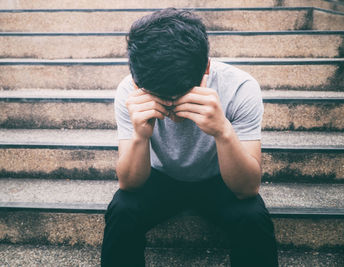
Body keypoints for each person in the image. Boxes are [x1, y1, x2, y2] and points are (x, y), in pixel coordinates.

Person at [101, 8, 278, 267]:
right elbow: (129, 184)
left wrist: (223, 131)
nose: (171, 108)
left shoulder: (240, 87)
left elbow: (248, 189)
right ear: (139, 82)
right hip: (160, 179)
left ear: (205, 68)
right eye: (160, 97)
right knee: (121, 209)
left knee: (252, 216)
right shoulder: (130, 90)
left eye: (180, 95)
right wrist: (140, 136)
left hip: (219, 178)